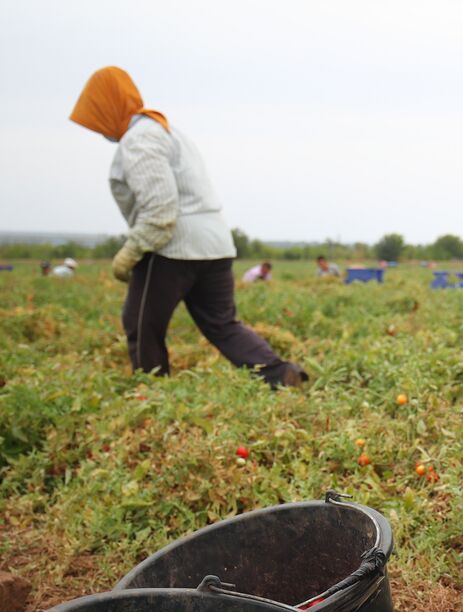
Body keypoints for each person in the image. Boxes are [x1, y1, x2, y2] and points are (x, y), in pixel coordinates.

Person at [69, 66, 307, 388]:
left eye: (96, 118)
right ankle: (281, 375)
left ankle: (153, 394)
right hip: (215, 245)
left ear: (108, 107)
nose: (99, 130)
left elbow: (161, 210)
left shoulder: (139, 140)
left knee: (142, 326)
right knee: (223, 324)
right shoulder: (167, 131)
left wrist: (131, 250)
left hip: (171, 248)